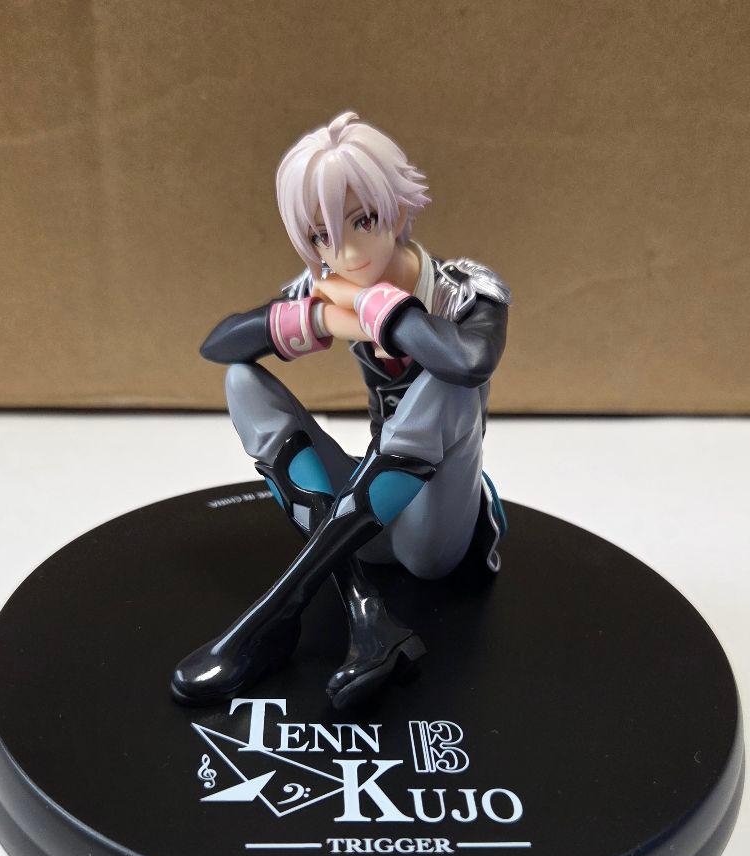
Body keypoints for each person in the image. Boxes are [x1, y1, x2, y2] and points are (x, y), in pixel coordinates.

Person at [171, 111, 510, 710]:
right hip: (366, 515)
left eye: (363, 221)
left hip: (434, 537)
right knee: (242, 380)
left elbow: (468, 362)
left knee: (449, 386)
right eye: (322, 236)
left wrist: (376, 308)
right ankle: (366, 611)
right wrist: (322, 317)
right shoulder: (324, 288)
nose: (345, 251)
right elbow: (218, 345)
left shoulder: (464, 289)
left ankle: (272, 617)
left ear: (397, 210)